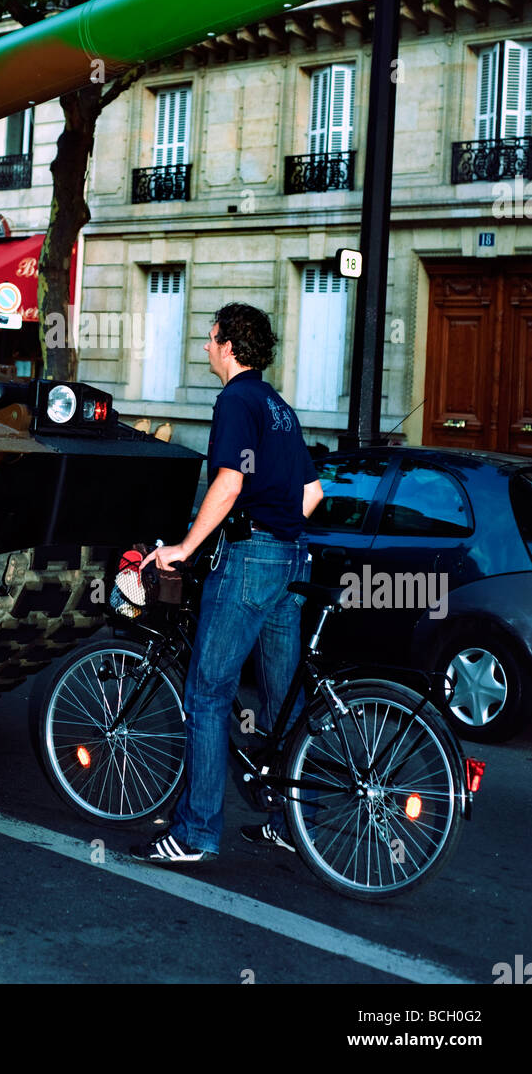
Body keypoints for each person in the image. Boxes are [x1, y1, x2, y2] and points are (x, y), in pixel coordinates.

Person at [130, 303, 323, 865]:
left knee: (208, 695)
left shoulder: (236, 401)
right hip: (293, 559)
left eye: (211, 339)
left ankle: (195, 833)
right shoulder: (279, 407)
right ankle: (295, 821)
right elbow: (312, 494)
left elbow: (230, 480)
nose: (207, 348)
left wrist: (186, 548)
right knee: (286, 700)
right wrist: (279, 533)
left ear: (228, 344)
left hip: (251, 559)